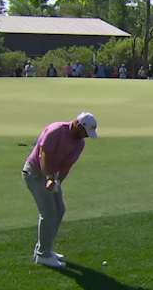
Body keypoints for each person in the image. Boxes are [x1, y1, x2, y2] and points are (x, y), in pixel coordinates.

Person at [22, 112, 98, 269]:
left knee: (59, 210)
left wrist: (57, 182)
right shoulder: (56, 131)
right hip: (35, 173)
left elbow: (66, 167)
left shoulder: (79, 144)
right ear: (78, 125)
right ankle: (42, 255)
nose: (86, 137)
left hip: (51, 176)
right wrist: (49, 177)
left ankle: (45, 249)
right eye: (85, 133)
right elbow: (44, 156)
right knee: (48, 213)